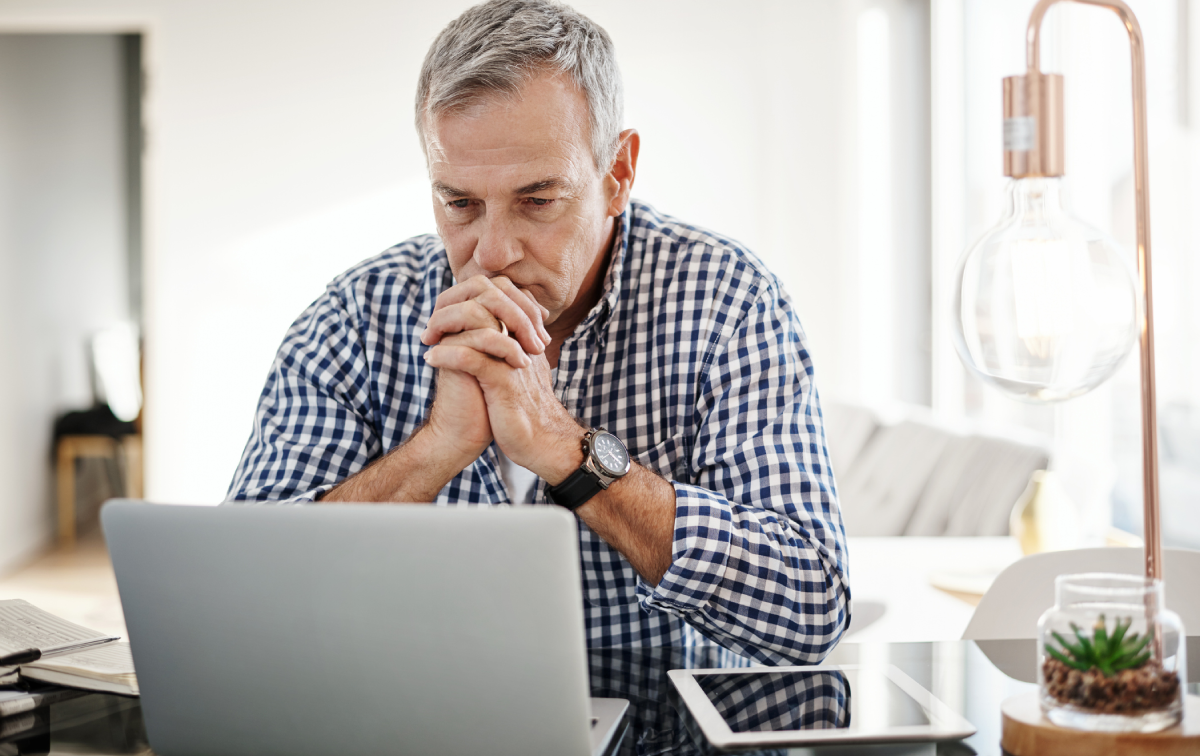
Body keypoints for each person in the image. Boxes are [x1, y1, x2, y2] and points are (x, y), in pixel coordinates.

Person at [227, 0, 849, 665]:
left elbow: (810, 607)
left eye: (537, 201)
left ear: (618, 175)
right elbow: (240, 598)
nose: (491, 253)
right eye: (460, 203)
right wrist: (436, 449)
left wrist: (565, 449)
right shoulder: (355, 316)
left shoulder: (728, 301)